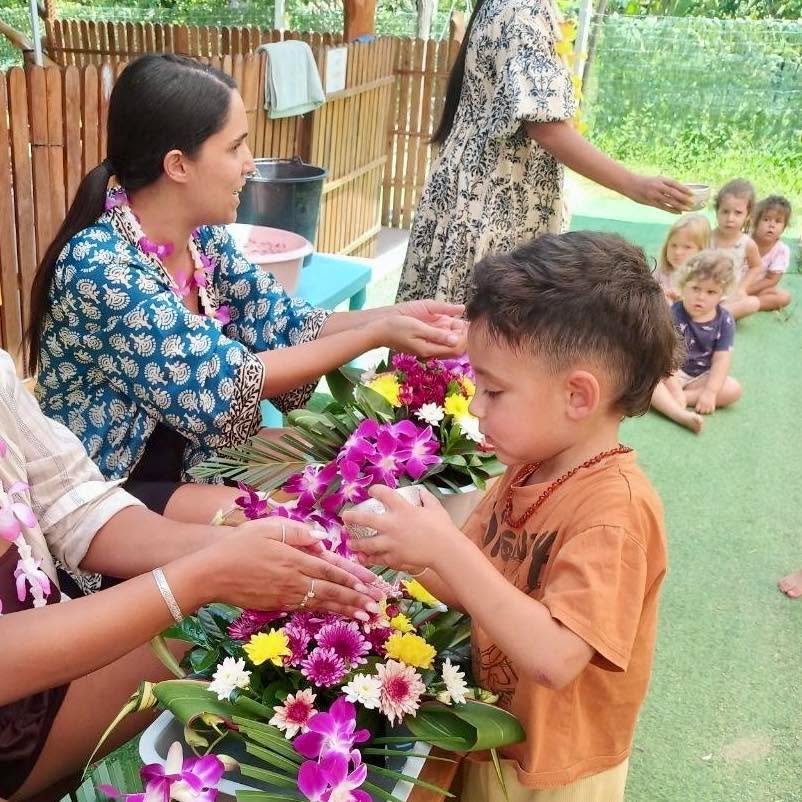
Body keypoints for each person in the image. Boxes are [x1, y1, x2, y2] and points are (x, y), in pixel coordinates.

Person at [28, 54, 466, 527]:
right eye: (235, 147)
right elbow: (227, 385)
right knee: (297, 525)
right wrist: (375, 332)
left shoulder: (202, 240)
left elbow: (281, 322)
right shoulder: (100, 268)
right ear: (178, 165)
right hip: (111, 494)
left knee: (350, 475)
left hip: (197, 463)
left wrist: (400, 316)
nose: (250, 165)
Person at [346, 231, 676, 801]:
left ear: (578, 396)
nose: (475, 406)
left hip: (555, 775)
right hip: (497, 733)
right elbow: (469, 583)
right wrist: (395, 553)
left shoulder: (614, 513)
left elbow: (556, 657)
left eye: (495, 391)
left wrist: (444, 547)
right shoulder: (530, 467)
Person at [0, 349, 383, 800]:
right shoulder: (99, 276)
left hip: (52, 642)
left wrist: (239, 546)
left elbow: (73, 503)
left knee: (254, 635)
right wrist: (199, 578)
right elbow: (222, 385)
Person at [394, 0, 694, 305]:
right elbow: (545, 125)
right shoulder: (524, 9)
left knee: (450, 331)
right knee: (479, 331)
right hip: (494, 201)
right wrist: (636, 186)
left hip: (473, 193)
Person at [650, 251, 740, 433]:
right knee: (646, 382)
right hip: (670, 371)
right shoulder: (673, 312)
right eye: (695, 288)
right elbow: (666, 355)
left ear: (722, 294)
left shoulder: (725, 320)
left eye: (711, 292)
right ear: (683, 286)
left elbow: (722, 360)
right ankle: (678, 413)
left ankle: (681, 399)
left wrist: (711, 392)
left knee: (733, 389)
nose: (701, 296)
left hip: (699, 377)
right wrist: (674, 388)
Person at [710, 178, 762, 321]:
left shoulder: (747, 244)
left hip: (729, 297)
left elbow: (756, 266)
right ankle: (714, 318)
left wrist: (742, 288)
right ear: (717, 211)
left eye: (738, 213)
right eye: (725, 211)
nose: (730, 218)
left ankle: (713, 318)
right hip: (703, 293)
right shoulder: (706, 236)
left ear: (748, 216)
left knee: (753, 303)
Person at [748, 195, 792, 311]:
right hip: (732, 283)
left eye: (778, 221)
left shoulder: (781, 250)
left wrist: (747, 290)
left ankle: (749, 304)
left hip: (756, 289)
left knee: (783, 297)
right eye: (766, 219)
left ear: (784, 227)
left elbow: (771, 279)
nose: (771, 225)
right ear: (755, 222)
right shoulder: (744, 240)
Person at [655, 214, 711, 303]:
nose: (678, 252)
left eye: (687, 247)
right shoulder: (661, 272)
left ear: (702, 251)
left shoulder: (705, 278)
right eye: (673, 245)